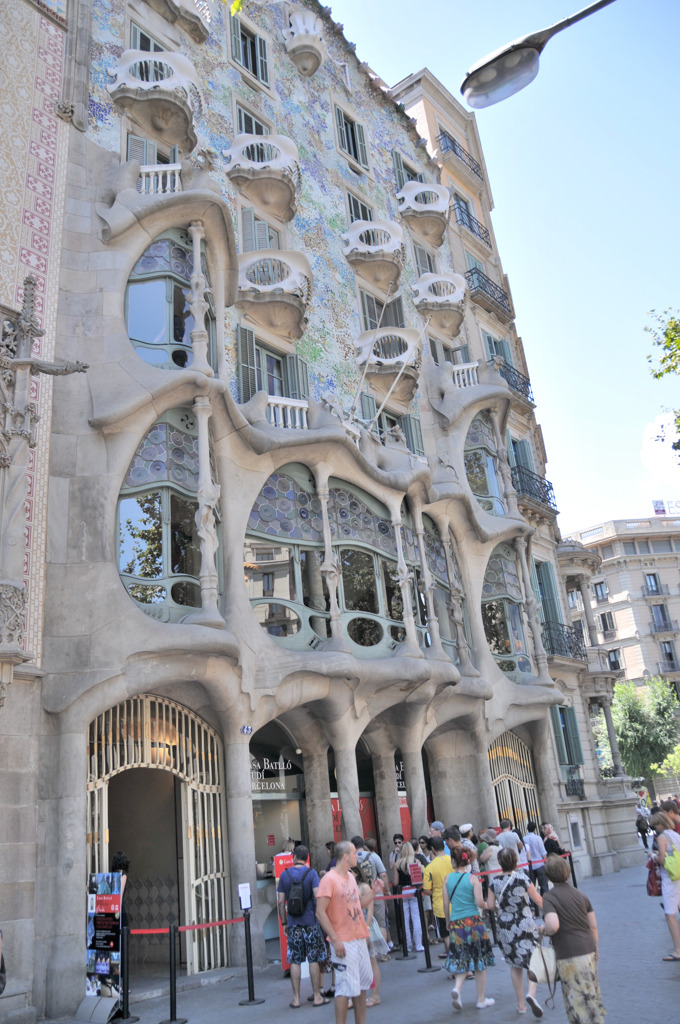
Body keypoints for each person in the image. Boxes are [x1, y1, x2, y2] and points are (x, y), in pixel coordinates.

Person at [542, 854, 604, 1024]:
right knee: (591, 996)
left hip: (568, 953)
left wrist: (544, 930)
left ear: (548, 876)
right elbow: (593, 926)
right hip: (588, 949)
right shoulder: (581, 895)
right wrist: (596, 948)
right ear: (568, 872)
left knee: (576, 1001)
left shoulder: (549, 897)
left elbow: (553, 925)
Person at [316, 841, 372, 1024]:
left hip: (359, 936)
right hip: (343, 940)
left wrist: (374, 893)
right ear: (346, 856)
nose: (358, 856)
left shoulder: (351, 877)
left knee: (362, 984)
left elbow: (356, 905)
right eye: (355, 853)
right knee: (343, 988)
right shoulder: (329, 880)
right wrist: (335, 939)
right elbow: (320, 912)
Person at [487, 848, 543, 1017]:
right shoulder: (523, 878)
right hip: (525, 923)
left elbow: (490, 905)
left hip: (505, 927)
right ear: (515, 860)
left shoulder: (494, 882)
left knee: (514, 965)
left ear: (500, 862)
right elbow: (539, 900)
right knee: (532, 961)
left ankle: (520, 1004)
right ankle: (531, 994)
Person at [443, 845, 496, 1012]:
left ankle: (457, 988)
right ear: (467, 861)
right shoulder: (473, 879)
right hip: (474, 923)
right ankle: (481, 998)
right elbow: (480, 902)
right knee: (479, 960)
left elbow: (446, 903)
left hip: (456, 923)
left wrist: (447, 921)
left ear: (453, 861)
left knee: (461, 958)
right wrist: (489, 905)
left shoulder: (447, 879)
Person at [277, 844, 330, 1008]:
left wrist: (284, 921)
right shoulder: (312, 873)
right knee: (313, 959)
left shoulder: (285, 875)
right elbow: (317, 896)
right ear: (307, 857)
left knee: (295, 960)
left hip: (293, 924)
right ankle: (317, 996)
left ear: (294, 857)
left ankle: (296, 999)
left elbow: (280, 901)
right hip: (310, 922)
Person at [350, 865, 388, 1007]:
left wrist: (365, 929)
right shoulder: (350, 886)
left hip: (366, 927)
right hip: (355, 928)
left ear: (355, 872)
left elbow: (370, 910)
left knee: (372, 962)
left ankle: (375, 995)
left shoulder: (364, 887)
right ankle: (355, 996)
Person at [650, 810, 680, 961]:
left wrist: (653, 856)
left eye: (655, 825)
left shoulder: (662, 837)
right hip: (679, 876)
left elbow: (661, 859)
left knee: (670, 914)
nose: (655, 828)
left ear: (660, 823)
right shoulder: (675, 834)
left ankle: (677, 950)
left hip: (670, 878)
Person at [422, 836, 453, 957]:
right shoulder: (453, 861)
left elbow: (427, 890)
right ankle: (466, 965)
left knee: (446, 937)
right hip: (456, 902)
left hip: (440, 906)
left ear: (433, 849)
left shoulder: (430, 867)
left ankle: (455, 964)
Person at [392, 841, 425, 953]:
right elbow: (418, 878)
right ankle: (419, 944)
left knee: (405, 920)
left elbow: (395, 882)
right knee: (416, 918)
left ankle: (408, 946)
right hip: (414, 890)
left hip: (402, 892)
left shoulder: (397, 864)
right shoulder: (416, 861)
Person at [523, 822, 548, 895]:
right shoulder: (538, 838)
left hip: (530, 865)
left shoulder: (524, 839)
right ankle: (545, 901)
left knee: (532, 887)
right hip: (540, 864)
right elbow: (543, 852)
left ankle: (534, 904)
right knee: (544, 885)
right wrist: (546, 863)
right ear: (535, 829)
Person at [110, 851, 130, 928]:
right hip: (119, 909)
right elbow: (120, 897)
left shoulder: (111, 876)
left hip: (111, 908)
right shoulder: (123, 876)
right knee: (123, 933)